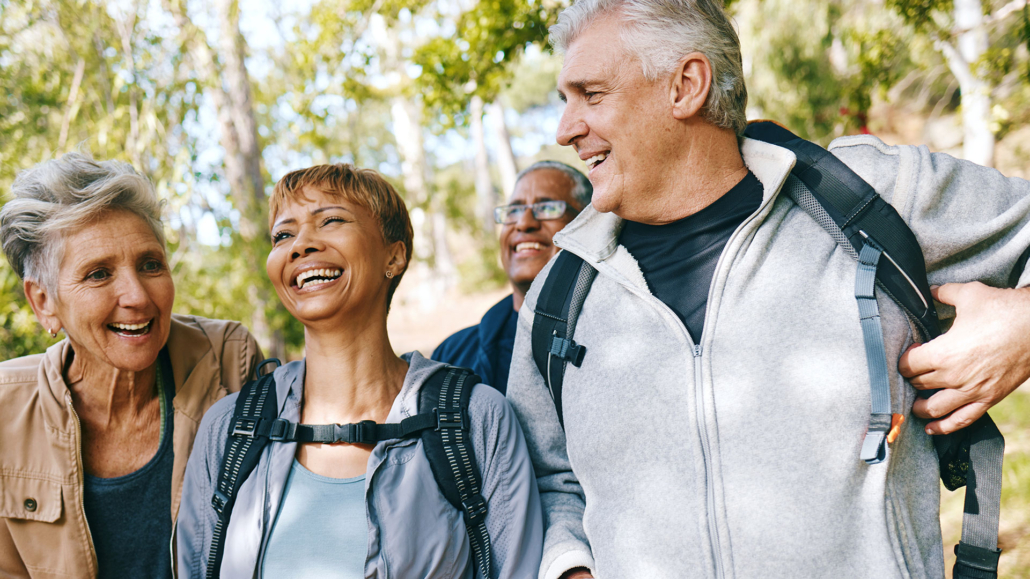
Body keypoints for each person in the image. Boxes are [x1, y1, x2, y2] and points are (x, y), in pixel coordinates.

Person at [504, 1, 1030, 578]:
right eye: (564, 100)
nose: (565, 130)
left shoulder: (869, 198)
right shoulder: (561, 295)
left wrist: (1022, 327)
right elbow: (552, 479)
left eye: (592, 95)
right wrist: (570, 567)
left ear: (686, 86)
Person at [176, 163, 543, 578]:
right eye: (283, 234)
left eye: (331, 220)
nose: (301, 245)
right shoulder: (229, 428)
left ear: (394, 254)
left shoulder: (477, 420)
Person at [0, 153, 263, 578]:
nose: (138, 296)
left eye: (150, 264)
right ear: (44, 303)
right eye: (99, 274)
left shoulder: (228, 360)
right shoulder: (5, 412)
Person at [433, 161, 592, 394]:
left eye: (547, 208)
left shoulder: (618, 339)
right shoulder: (451, 357)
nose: (524, 223)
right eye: (514, 210)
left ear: (588, 225)